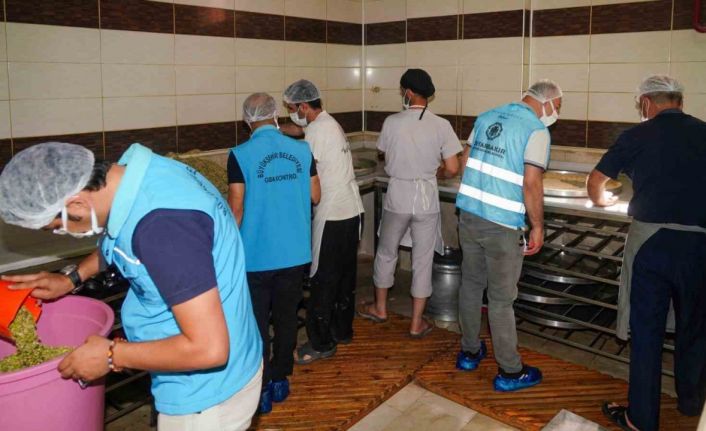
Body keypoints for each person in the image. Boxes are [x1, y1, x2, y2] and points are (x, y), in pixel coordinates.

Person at [0, 142, 263, 431]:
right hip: (235, 354)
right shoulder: (136, 175)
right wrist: (72, 278)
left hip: (206, 397)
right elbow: (121, 236)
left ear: (76, 205)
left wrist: (111, 355)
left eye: (57, 227)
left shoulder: (163, 227)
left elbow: (209, 349)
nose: (63, 233)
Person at [588, 75, 706, 431]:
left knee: (646, 332)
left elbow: (596, 181)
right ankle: (691, 404)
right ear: (680, 102)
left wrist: (602, 201)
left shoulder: (637, 135)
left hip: (651, 245)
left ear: (646, 103)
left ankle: (641, 418)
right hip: (699, 245)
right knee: (695, 328)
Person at [455, 79, 562, 392]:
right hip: (502, 225)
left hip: (469, 215)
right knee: (501, 299)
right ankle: (510, 371)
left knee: (471, 286)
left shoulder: (486, 117)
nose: (556, 113)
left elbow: (465, 162)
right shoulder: (536, 131)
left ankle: (469, 353)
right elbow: (532, 183)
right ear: (547, 102)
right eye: (557, 107)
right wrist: (538, 226)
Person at [227, 92, 321, 414]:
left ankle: (263, 386)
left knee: (256, 323)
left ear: (247, 121)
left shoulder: (239, 155)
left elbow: (236, 209)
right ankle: (281, 378)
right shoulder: (302, 149)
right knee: (286, 318)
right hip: (294, 252)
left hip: (256, 256)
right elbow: (316, 195)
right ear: (276, 116)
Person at [358, 69, 462, 337]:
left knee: (386, 252)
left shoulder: (392, 122)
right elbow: (453, 167)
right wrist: (436, 173)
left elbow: (382, 152)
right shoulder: (441, 125)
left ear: (409, 92)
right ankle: (416, 323)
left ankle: (380, 308)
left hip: (398, 195)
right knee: (423, 259)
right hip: (426, 197)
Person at [280, 80, 364, 364]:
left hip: (332, 214)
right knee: (344, 277)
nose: (292, 113)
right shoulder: (328, 123)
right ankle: (342, 331)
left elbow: (305, 173)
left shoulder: (317, 131)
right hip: (351, 211)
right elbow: (300, 131)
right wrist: (277, 129)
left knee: (323, 279)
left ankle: (320, 343)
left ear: (304, 106)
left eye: (292, 108)